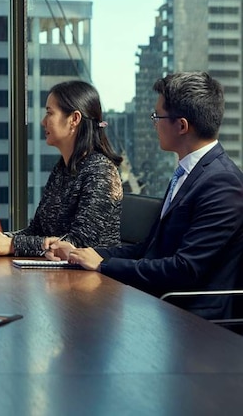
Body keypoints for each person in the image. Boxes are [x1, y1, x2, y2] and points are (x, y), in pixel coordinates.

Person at [48, 72, 243, 319]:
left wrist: (102, 265)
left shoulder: (222, 184)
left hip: (197, 323)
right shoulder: (189, 174)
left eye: (157, 116)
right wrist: (85, 254)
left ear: (182, 125)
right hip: (164, 308)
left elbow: (185, 268)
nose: (154, 123)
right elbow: (149, 249)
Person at [0, 80, 123, 256]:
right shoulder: (61, 170)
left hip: (93, 280)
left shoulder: (101, 172)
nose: (43, 122)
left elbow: (78, 243)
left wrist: (13, 244)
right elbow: (37, 230)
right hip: (57, 275)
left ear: (74, 119)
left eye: (49, 113)